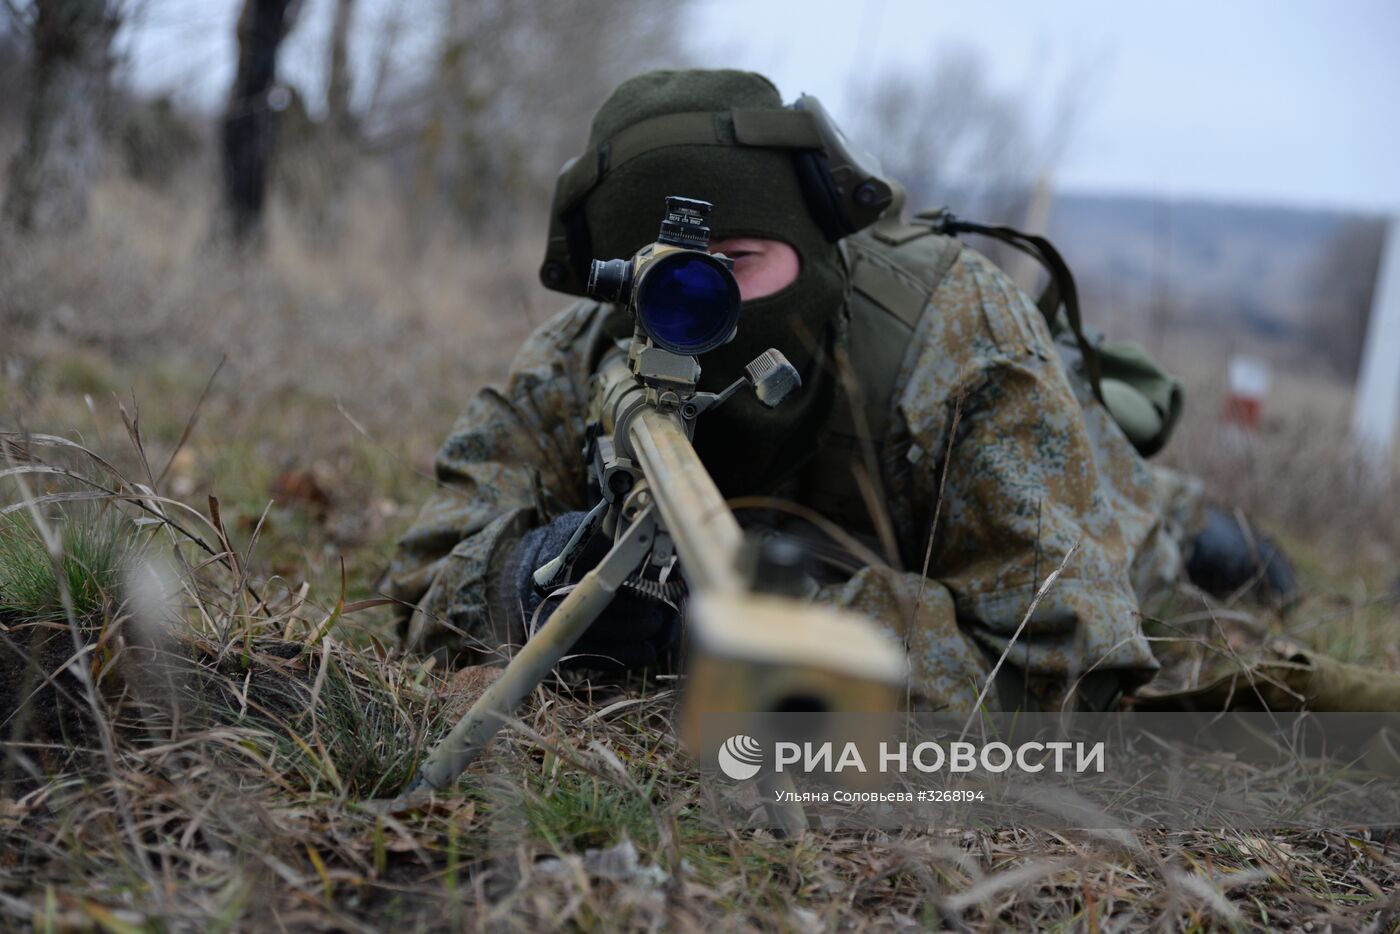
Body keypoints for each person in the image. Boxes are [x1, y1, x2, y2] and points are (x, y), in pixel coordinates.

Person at [386, 69, 1387, 713]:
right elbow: (429, 559)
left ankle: (1201, 520)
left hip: (1068, 503)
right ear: (615, 280)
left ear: (814, 250)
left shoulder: (954, 336)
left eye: (740, 259)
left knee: (1155, 534)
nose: (701, 303)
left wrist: (785, 620)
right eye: (662, 276)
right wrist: (532, 578)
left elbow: (1066, 658)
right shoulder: (585, 355)